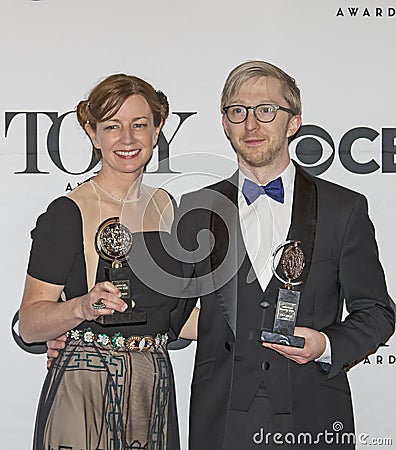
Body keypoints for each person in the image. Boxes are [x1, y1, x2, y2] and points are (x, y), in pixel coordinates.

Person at [173, 61, 395, 449]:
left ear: (293, 123)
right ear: (225, 124)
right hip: (220, 421)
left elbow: (377, 313)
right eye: (237, 111)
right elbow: (166, 310)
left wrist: (325, 345)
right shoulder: (195, 210)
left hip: (314, 414)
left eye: (266, 110)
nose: (251, 125)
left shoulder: (343, 208)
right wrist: (79, 333)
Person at [19, 73, 196, 450]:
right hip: (86, 390)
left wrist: (257, 324)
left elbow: (177, 317)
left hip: (152, 387)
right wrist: (82, 306)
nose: (128, 139)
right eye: (113, 126)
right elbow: (31, 324)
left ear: (158, 129)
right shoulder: (68, 213)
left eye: (139, 125)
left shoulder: (166, 207)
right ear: (92, 133)